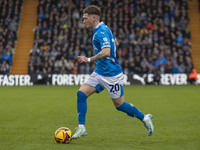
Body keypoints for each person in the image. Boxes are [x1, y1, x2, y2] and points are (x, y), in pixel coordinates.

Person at [72, 5, 154, 139]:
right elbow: (116, 42)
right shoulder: (104, 28)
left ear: (94, 18)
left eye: (85, 18)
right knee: (81, 94)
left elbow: (107, 51)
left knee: (120, 105)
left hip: (111, 75)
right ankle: (81, 128)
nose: (83, 20)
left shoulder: (100, 32)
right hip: (100, 72)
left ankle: (144, 118)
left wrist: (88, 59)